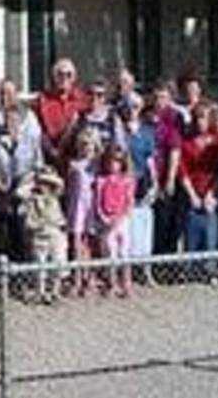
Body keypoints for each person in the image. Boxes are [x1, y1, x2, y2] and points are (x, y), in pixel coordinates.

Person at [0, 101, 43, 261]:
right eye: (8, 120)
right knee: (1, 229)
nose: (11, 124)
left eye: (15, 120)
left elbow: (37, 166)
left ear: (22, 121)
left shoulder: (30, 141)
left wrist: (25, 183)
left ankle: (22, 265)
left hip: (23, 189)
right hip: (1, 188)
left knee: (21, 229)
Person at [179, 102, 218, 255]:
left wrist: (213, 194)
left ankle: (211, 272)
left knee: (211, 236)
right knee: (191, 236)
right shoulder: (186, 143)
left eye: (203, 118)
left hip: (213, 195)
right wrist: (192, 195)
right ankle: (190, 272)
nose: (199, 121)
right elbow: (183, 171)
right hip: (192, 194)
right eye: (196, 118)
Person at [16, 165, 68, 304]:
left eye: (48, 183)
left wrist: (50, 177)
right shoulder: (31, 199)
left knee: (58, 262)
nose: (45, 186)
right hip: (39, 235)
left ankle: (55, 291)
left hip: (55, 233)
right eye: (42, 183)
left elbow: (60, 185)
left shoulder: (54, 197)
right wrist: (33, 180)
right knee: (40, 265)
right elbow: (20, 193)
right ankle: (41, 290)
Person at [123, 95, 157, 285]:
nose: (131, 110)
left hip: (142, 183)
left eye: (135, 106)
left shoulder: (147, 131)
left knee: (144, 227)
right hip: (124, 184)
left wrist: (155, 183)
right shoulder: (119, 129)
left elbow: (150, 160)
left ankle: (146, 270)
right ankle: (127, 273)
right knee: (126, 229)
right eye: (128, 106)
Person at [95, 147, 136, 297]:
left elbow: (129, 202)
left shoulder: (127, 180)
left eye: (117, 162)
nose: (114, 165)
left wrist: (121, 218)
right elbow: (98, 202)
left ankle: (127, 283)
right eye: (111, 162)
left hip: (122, 219)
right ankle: (112, 283)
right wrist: (104, 218)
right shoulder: (101, 181)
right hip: (106, 219)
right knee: (110, 252)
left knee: (124, 252)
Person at [150, 82, 184, 256]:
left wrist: (170, 179)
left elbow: (175, 149)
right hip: (150, 178)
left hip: (166, 177)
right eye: (156, 97)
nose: (159, 101)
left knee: (168, 220)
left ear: (170, 99)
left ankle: (166, 262)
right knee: (153, 222)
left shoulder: (174, 118)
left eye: (163, 97)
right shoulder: (147, 117)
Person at [66, 127, 102, 295]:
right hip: (77, 205)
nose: (87, 148)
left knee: (91, 242)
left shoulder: (98, 164)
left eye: (90, 144)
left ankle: (90, 277)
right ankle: (77, 278)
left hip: (92, 207)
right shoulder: (74, 164)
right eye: (84, 144)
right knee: (76, 243)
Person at [36, 58, 88, 171]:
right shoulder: (43, 100)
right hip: (50, 155)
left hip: (76, 156)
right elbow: (39, 130)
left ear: (74, 78)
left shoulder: (82, 99)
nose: (64, 78)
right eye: (60, 74)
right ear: (54, 77)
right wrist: (51, 151)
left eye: (68, 75)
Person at [73, 79, 119, 150]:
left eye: (99, 95)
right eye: (90, 93)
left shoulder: (112, 118)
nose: (94, 98)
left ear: (105, 97)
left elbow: (120, 145)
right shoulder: (79, 117)